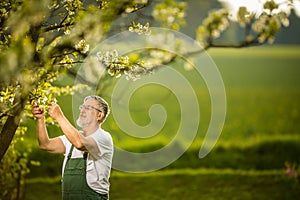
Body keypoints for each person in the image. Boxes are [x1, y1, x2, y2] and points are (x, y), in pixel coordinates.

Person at [32, 95, 113, 200]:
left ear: (99, 115)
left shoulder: (103, 138)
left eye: (88, 108)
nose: (82, 110)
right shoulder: (70, 138)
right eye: (82, 107)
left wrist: (59, 116)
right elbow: (45, 144)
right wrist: (40, 119)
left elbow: (79, 143)